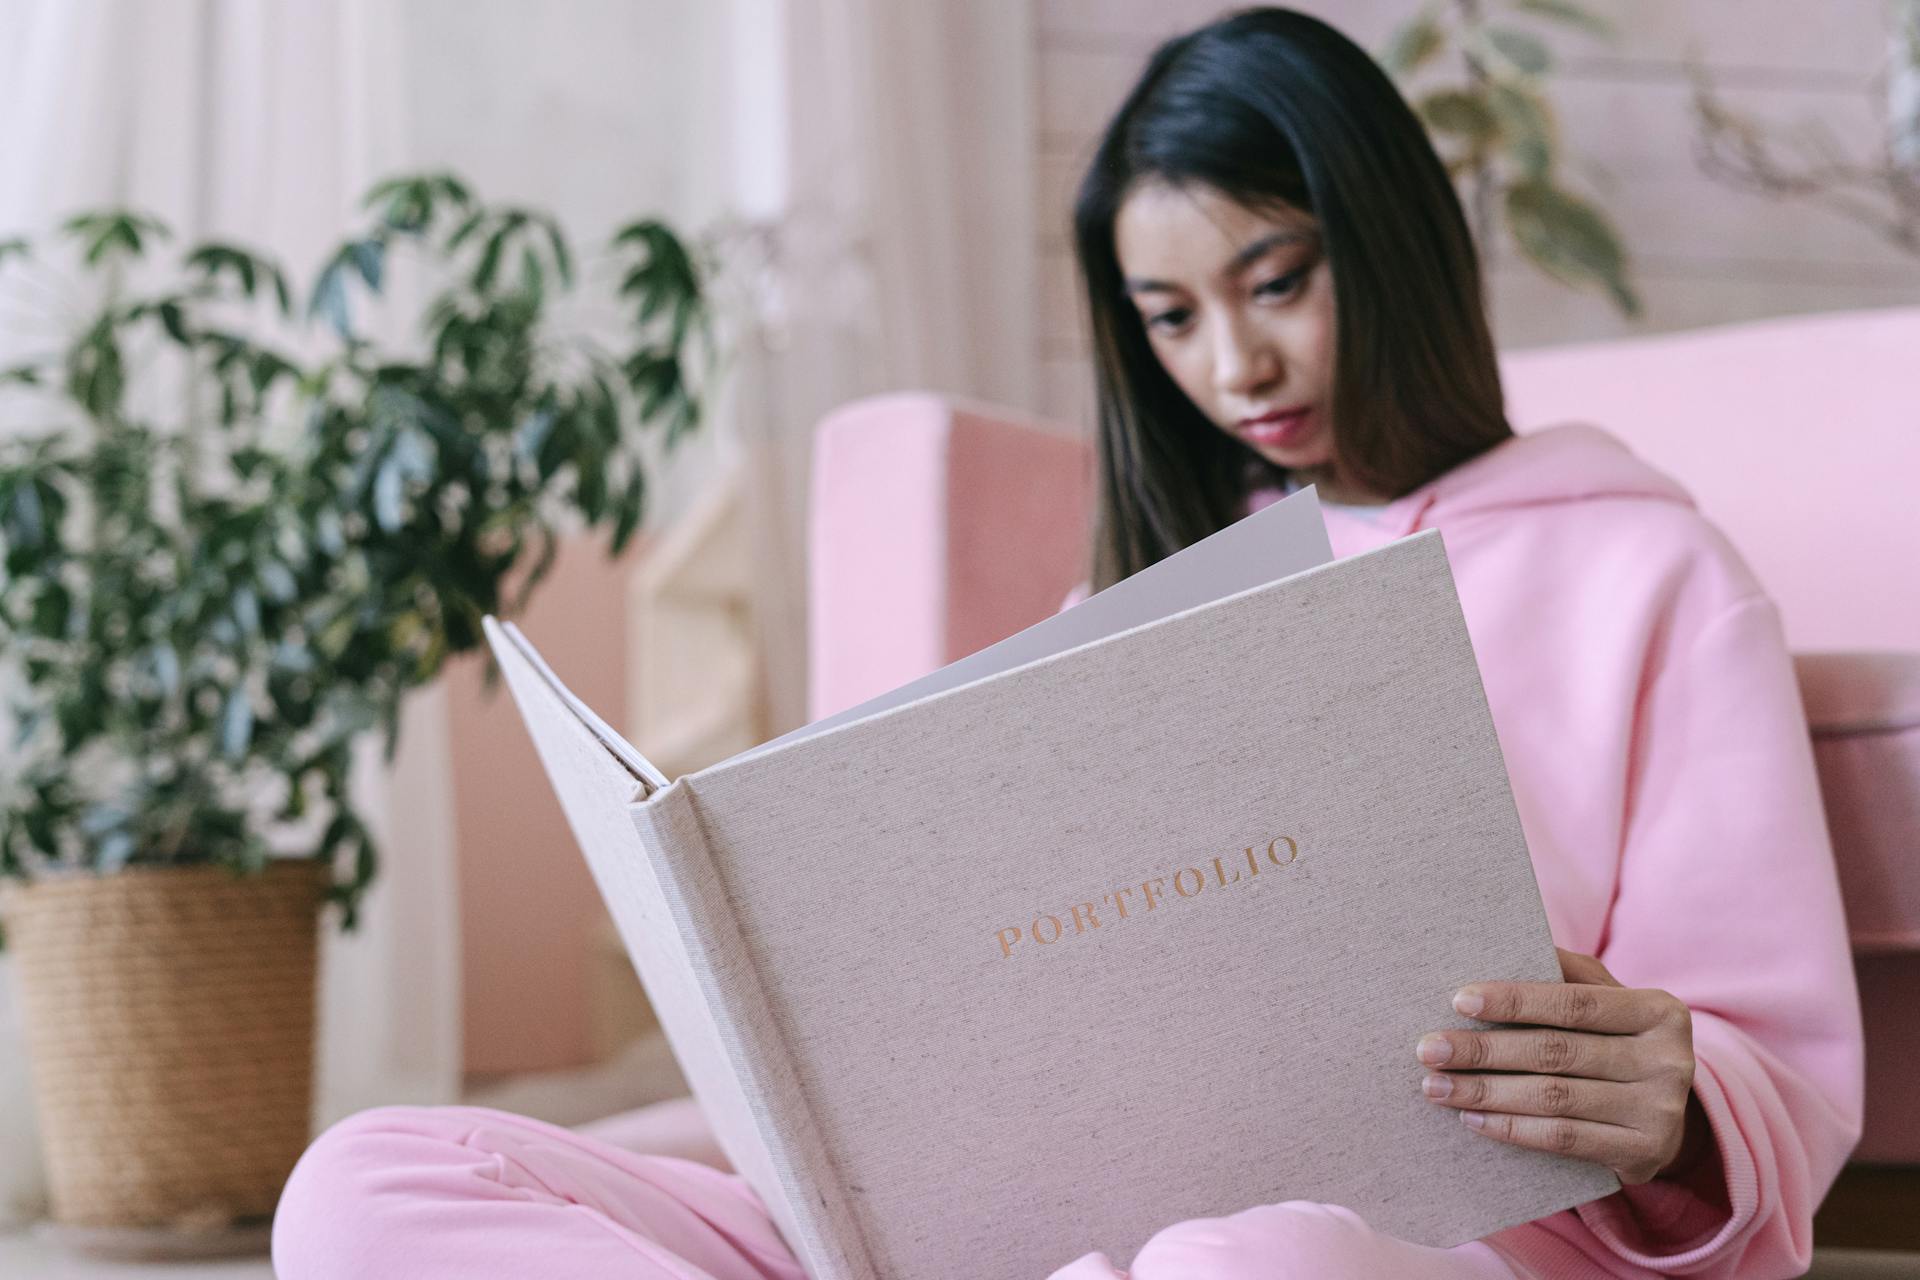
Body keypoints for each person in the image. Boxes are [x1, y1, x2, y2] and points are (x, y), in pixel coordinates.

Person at [271, 9, 1862, 1278]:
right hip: (1016, 1228)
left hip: (1406, 1239)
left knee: (1246, 1264)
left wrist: (1681, 1101)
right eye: (1170, 316)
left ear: (1385, 242)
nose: (1235, 361)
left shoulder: (1651, 572)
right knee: (371, 1182)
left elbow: (1767, 1067)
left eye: (1277, 278)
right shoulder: (1146, 602)